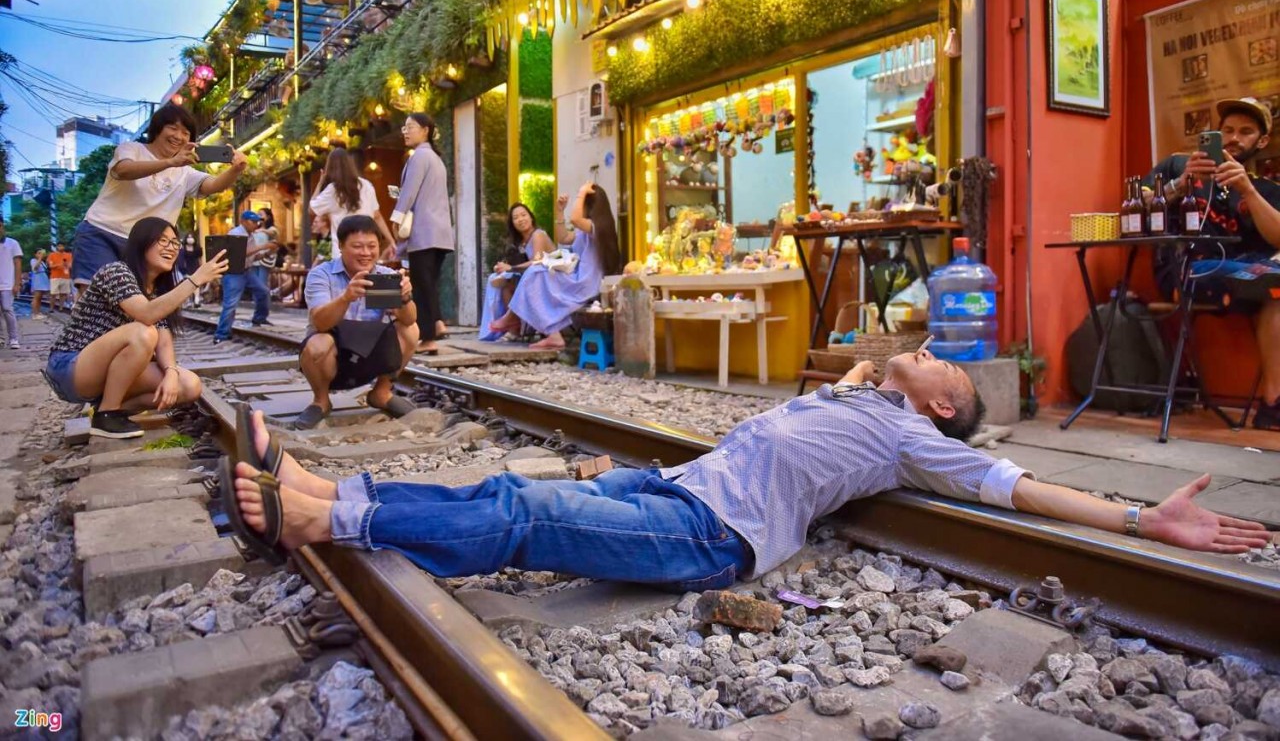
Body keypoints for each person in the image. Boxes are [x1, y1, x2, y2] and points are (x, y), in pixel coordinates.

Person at [226, 348, 1273, 586]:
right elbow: (818, 402)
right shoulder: (859, 394)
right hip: (672, 489)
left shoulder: (917, 437)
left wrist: (1139, 521)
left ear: (940, 404)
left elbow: (1017, 485)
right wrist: (851, 381)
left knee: (526, 518)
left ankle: (324, 521)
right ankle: (336, 488)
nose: (922, 347)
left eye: (935, 362)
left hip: (707, 537)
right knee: (509, 490)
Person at [1141, 97, 1280, 429]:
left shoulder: (1265, 188)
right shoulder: (1178, 164)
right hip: (1189, 269)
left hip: (1245, 274)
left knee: (1274, 290)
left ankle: (1273, 406)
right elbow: (1137, 206)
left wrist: (1247, 190)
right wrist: (1180, 184)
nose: (1234, 137)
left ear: (1261, 142)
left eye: (1245, 132)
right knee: (1269, 277)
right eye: (1227, 130)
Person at [44, 217, 228, 438]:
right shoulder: (116, 272)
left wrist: (170, 372)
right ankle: (107, 416)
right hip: (70, 367)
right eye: (163, 241)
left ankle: (105, 407)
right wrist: (196, 279)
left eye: (174, 243)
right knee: (142, 332)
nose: (171, 248)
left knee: (189, 385)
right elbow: (147, 314)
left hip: (104, 371)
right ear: (142, 243)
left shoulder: (156, 289)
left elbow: (164, 339)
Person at [72, 104, 246, 289]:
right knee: (94, 302)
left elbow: (212, 185)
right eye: (172, 128)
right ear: (157, 129)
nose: (178, 136)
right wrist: (170, 162)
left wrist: (236, 170)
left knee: (137, 305)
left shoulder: (184, 171)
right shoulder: (132, 149)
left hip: (145, 246)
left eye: (186, 133)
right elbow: (123, 170)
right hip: (102, 233)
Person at [292, 215, 420, 430]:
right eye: (357, 246)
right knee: (317, 344)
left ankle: (381, 392)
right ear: (340, 246)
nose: (366, 253)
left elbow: (409, 319)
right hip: (335, 355)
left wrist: (404, 297)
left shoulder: (385, 276)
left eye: (372, 246)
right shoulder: (321, 275)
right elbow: (320, 323)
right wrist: (346, 298)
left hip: (371, 353)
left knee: (411, 330)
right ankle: (321, 401)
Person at [488, 181, 622, 350]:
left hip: (585, 283)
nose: (578, 204)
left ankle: (515, 317)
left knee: (536, 272)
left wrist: (582, 191)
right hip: (576, 278)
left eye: (581, 202)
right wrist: (560, 211)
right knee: (536, 271)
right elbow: (563, 238)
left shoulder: (597, 227)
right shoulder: (585, 229)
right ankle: (551, 334)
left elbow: (575, 219)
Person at [390, 113, 454, 355]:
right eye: (404, 127)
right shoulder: (436, 159)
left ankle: (427, 338)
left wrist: (396, 218)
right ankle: (437, 323)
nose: (405, 132)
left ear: (425, 129)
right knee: (430, 284)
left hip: (423, 233)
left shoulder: (419, 158)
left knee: (422, 285)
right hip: (441, 234)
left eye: (410, 127)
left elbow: (409, 193)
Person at [479, 203, 556, 341]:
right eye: (516, 217)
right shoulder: (521, 242)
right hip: (536, 279)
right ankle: (514, 328)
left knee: (513, 285)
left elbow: (536, 261)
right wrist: (504, 267)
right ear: (512, 223)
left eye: (523, 215)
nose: (520, 219)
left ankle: (511, 323)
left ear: (531, 217)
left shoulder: (538, 235)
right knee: (507, 287)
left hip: (551, 281)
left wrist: (511, 268)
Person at [309, 148, 396, 260]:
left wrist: (320, 182)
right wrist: (391, 241)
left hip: (343, 253)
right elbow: (377, 216)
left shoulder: (333, 190)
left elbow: (312, 209)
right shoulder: (366, 185)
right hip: (367, 250)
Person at [214, 211, 273, 343]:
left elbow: (252, 256)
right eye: (253, 222)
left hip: (247, 270)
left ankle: (259, 318)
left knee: (263, 291)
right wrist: (262, 246)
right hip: (234, 272)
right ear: (244, 221)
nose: (256, 225)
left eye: (257, 222)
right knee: (230, 304)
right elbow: (239, 253)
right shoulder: (236, 233)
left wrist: (267, 253)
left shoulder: (251, 235)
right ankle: (221, 334)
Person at [0, 219, 22, 350]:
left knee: (8, 309)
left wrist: (17, 283)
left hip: (8, 284)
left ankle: (14, 338)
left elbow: (18, 263)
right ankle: (1, 338)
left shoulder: (13, 243)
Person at [176, 233, 204, 308]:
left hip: (196, 267)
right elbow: (181, 260)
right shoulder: (183, 249)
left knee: (196, 284)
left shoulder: (197, 248)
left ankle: (196, 300)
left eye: (192, 237)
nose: (190, 239)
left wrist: (202, 267)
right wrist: (183, 270)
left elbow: (200, 259)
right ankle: (188, 301)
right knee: (188, 284)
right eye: (188, 237)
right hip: (187, 268)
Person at [48, 242, 73, 313]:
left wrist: (66, 265)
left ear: (64, 247)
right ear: (57, 247)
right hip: (54, 277)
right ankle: (51, 308)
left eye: (62, 246)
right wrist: (59, 264)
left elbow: (70, 266)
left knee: (63, 293)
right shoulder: (52, 255)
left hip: (65, 276)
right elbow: (50, 266)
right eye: (59, 246)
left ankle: (61, 308)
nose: (61, 247)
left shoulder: (69, 255)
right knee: (53, 294)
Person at [28, 249, 49, 320]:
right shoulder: (33, 260)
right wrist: (40, 258)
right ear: (35, 254)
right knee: (36, 297)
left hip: (43, 279)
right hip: (38, 279)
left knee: (40, 297)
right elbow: (35, 268)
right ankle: (34, 314)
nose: (41, 254)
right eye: (38, 253)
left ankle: (38, 312)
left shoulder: (43, 262)